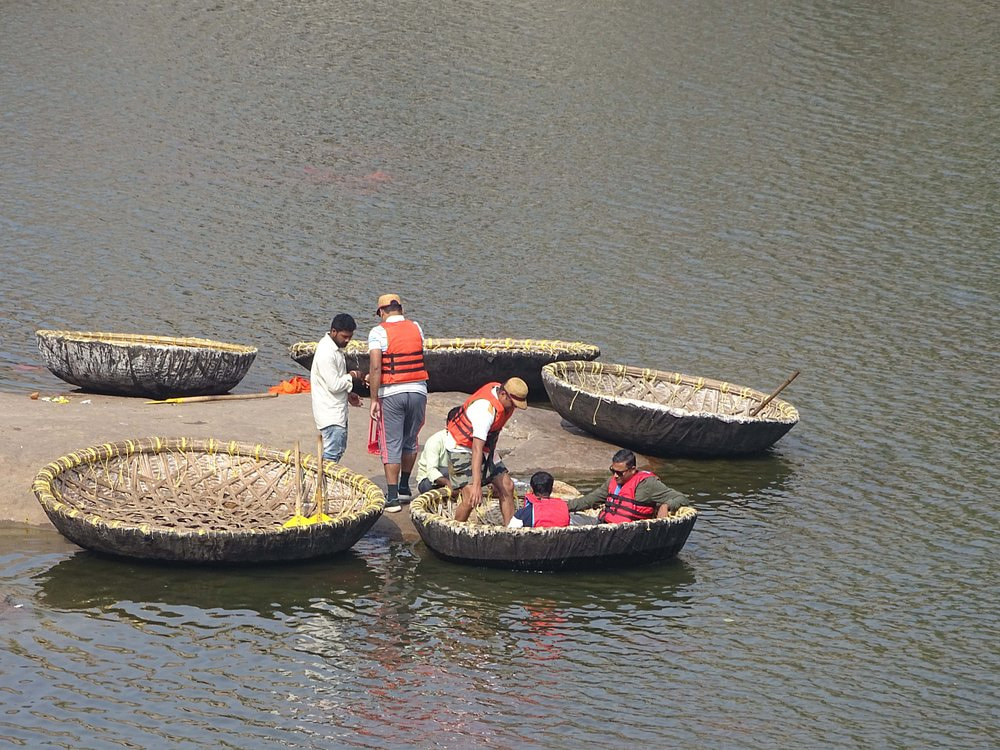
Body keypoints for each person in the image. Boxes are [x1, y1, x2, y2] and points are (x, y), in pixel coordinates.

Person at [367, 293, 428, 512]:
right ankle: (404, 488)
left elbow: (376, 366)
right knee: (410, 440)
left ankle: (392, 497)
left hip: (392, 393)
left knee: (391, 443)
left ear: (382, 312)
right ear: (401, 309)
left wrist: (374, 399)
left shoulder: (378, 332)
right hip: (418, 391)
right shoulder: (416, 327)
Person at [445, 377, 529, 525]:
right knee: (471, 497)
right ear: (503, 394)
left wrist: (493, 475)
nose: (514, 407)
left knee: (507, 486)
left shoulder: (503, 399)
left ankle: (510, 530)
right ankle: (454, 529)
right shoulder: (485, 410)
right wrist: (477, 485)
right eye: (513, 403)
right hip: (461, 447)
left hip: (486, 448)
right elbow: (476, 449)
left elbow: (489, 441)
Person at [568, 448, 687, 523]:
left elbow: (681, 498)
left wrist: (666, 505)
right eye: (612, 470)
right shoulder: (612, 481)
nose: (615, 475)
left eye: (619, 473)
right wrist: (563, 506)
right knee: (570, 520)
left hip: (627, 532)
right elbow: (589, 500)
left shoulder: (648, 484)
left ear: (633, 470)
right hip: (603, 524)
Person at [310, 313, 363, 462]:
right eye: (344, 337)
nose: (347, 340)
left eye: (350, 337)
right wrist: (351, 376)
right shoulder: (327, 353)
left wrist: (348, 394)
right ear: (334, 331)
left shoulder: (334, 349)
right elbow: (334, 385)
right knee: (333, 454)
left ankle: (320, 476)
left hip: (335, 411)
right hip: (331, 414)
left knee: (335, 451)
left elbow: (334, 381)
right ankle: (320, 478)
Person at [414, 428, 451, 495]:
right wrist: (448, 483)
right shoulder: (436, 441)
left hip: (450, 477)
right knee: (449, 471)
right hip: (428, 481)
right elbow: (432, 471)